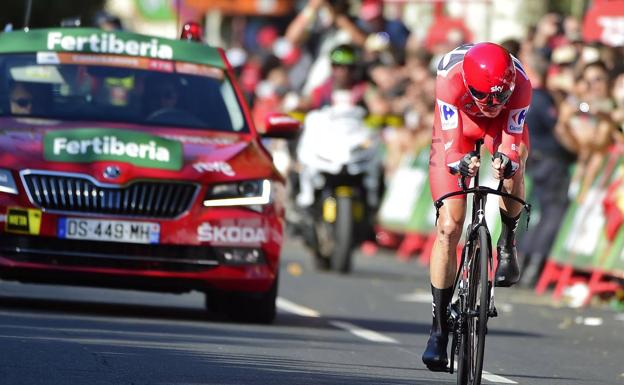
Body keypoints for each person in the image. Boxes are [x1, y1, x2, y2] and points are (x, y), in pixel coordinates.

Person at [422, 42, 532, 371]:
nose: (491, 104)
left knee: (514, 164)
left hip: (501, 132)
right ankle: (439, 330)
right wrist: (460, 162)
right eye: (483, 96)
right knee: (449, 226)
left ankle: (507, 242)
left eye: (499, 97)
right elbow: (452, 144)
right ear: (470, 86)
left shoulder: (522, 85)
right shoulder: (449, 79)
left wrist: (507, 160)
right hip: (459, 125)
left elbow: (512, 140)